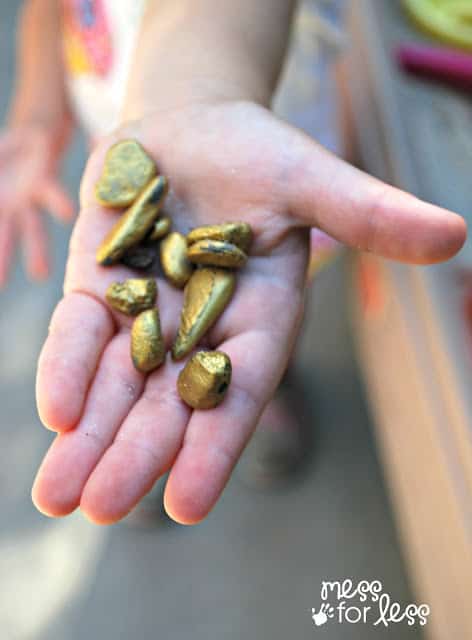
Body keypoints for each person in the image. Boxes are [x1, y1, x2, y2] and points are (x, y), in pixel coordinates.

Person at [2, 0, 465, 526]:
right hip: (125, 126)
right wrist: (37, 114)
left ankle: (271, 388)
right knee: (179, 362)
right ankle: (169, 439)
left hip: (260, 162)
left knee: (270, 296)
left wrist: (190, 97)